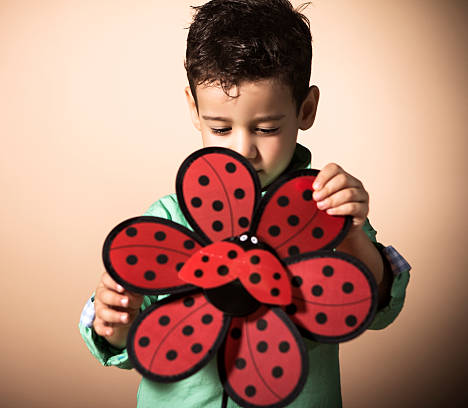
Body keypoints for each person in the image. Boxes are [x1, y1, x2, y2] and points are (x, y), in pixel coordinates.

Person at [78, 1, 411, 407]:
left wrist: (354, 232)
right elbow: (135, 341)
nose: (243, 149)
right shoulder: (168, 218)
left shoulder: (325, 208)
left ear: (305, 109)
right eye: (220, 128)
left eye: (266, 128)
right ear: (194, 110)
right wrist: (113, 321)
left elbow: (372, 305)